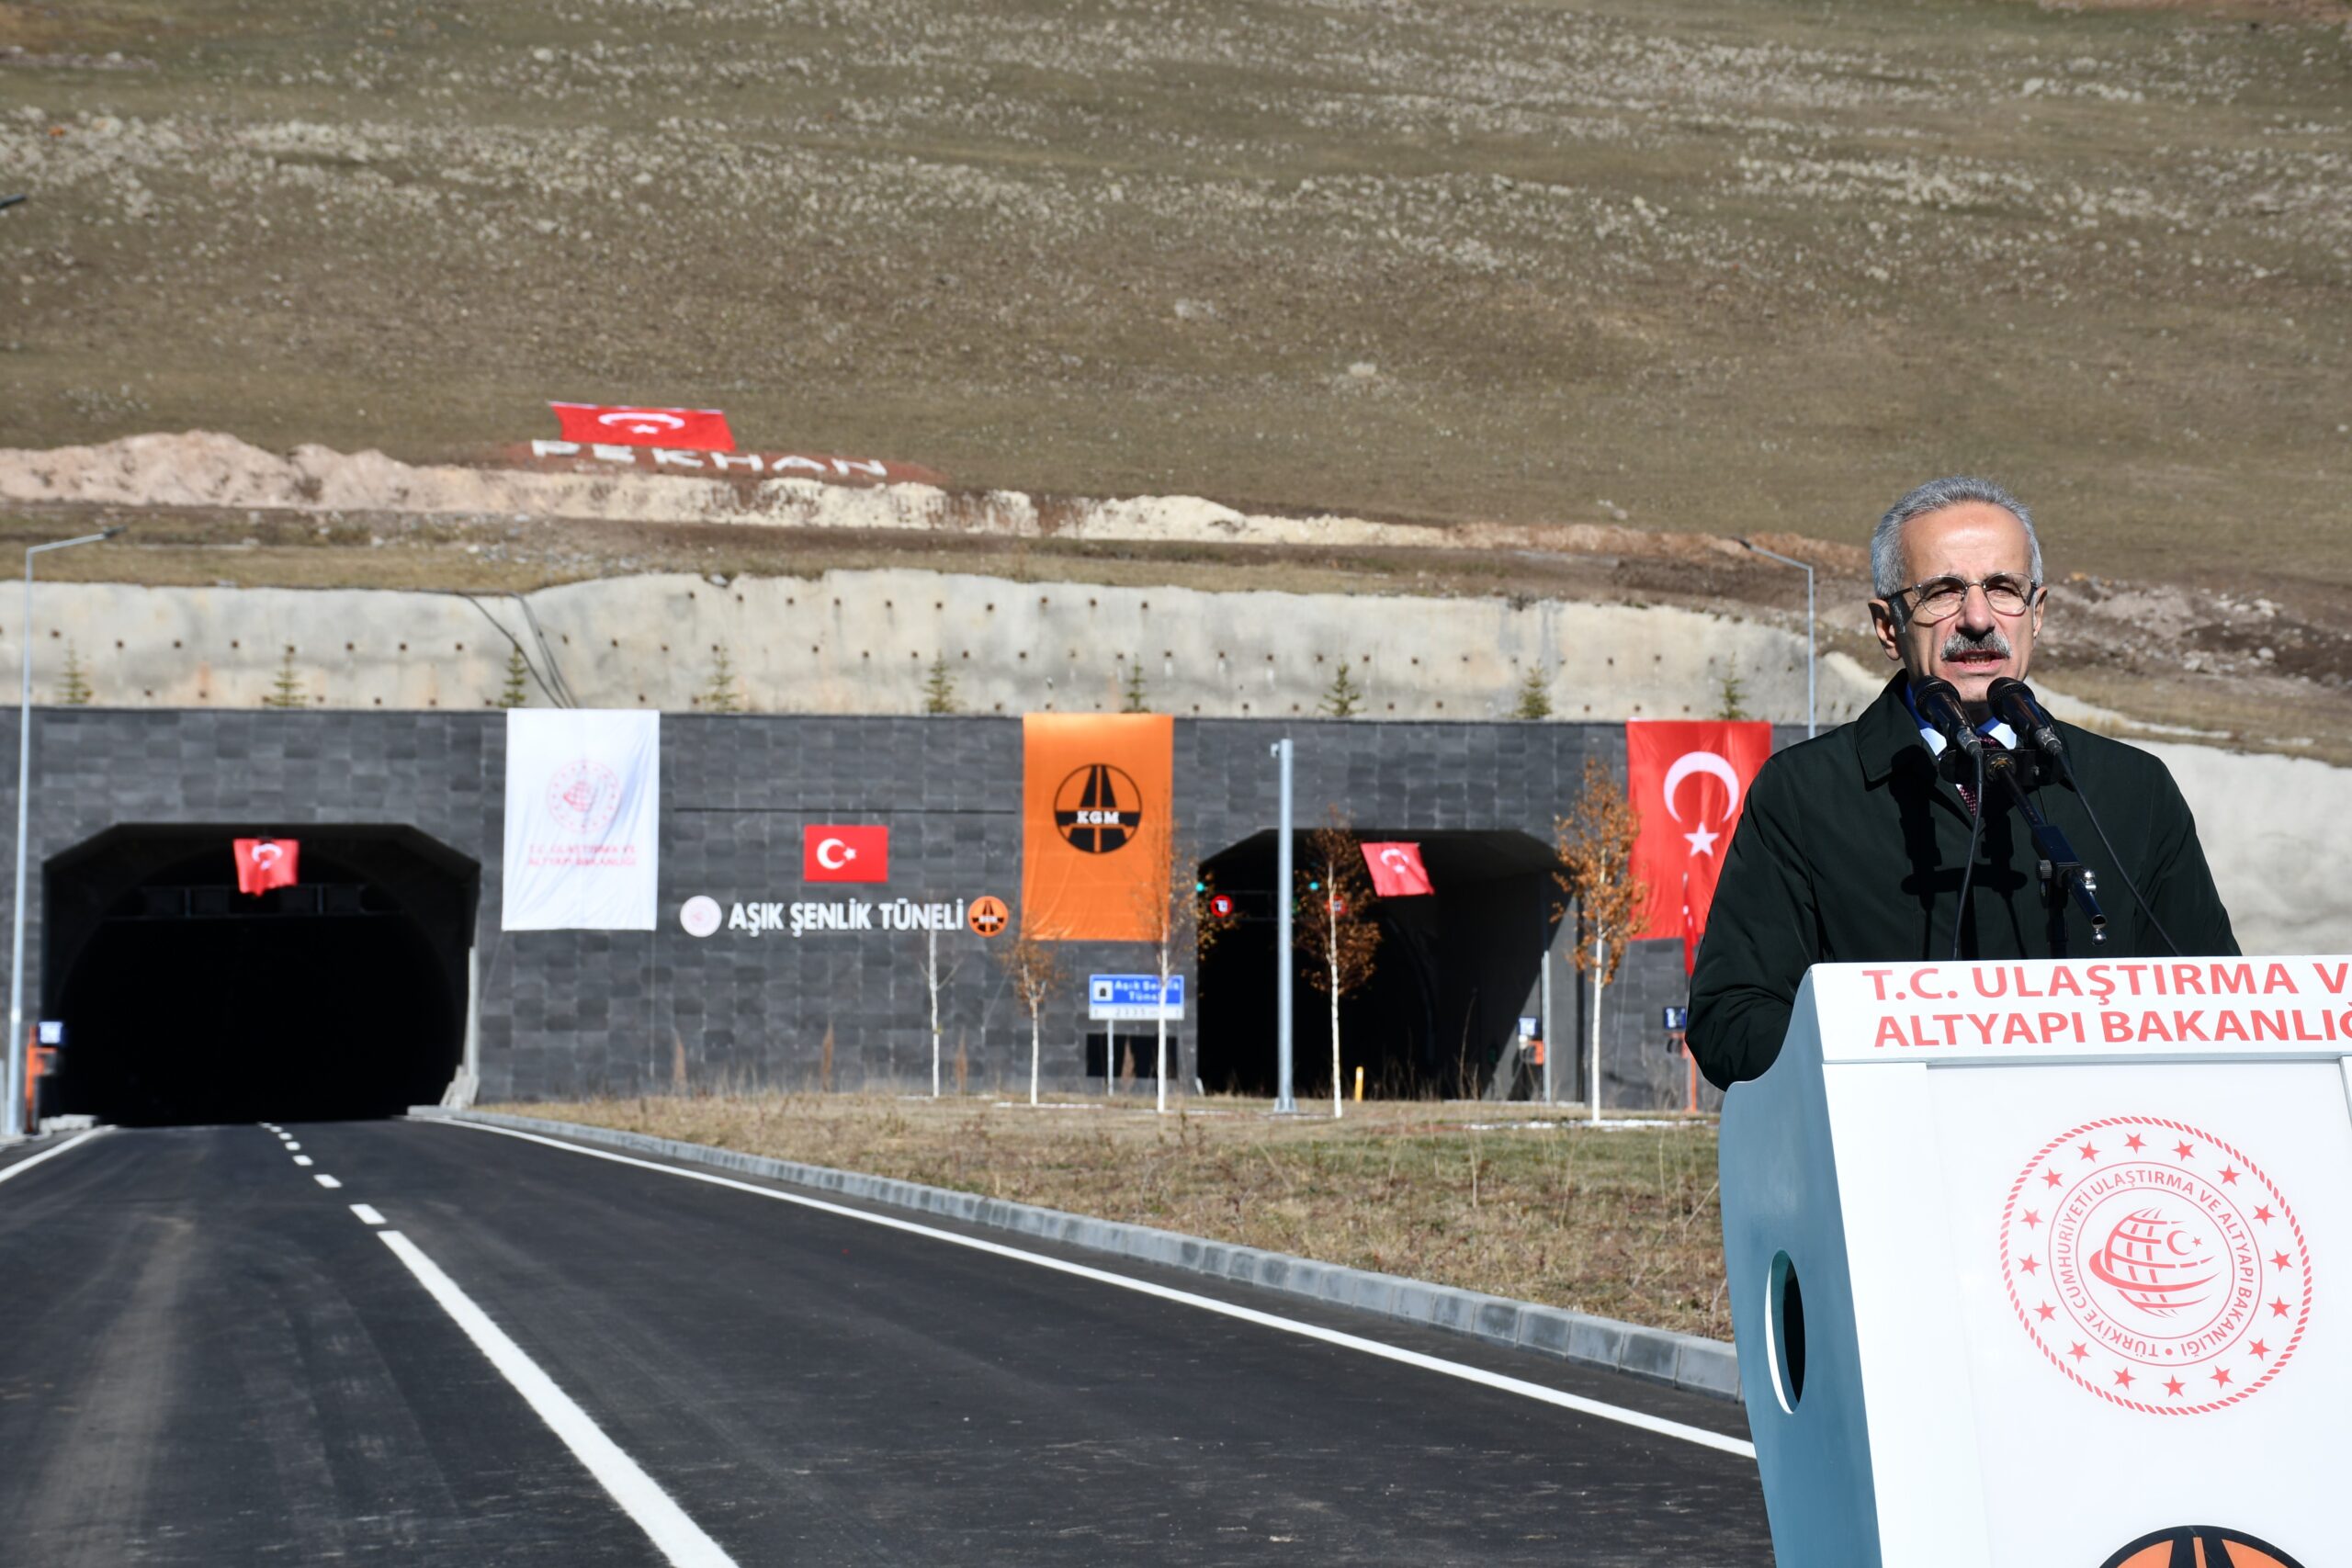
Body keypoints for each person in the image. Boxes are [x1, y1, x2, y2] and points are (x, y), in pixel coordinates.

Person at [1687, 476, 2237, 1089]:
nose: (1977, 618)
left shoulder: (2132, 789)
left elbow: (2217, 1010)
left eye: (2004, 589)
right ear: (1888, 625)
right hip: (1894, 1161)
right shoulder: (1803, 793)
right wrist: (1881, 1055)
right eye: (1941, 592)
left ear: (2039, 612)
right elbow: (1730, 1020)